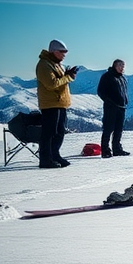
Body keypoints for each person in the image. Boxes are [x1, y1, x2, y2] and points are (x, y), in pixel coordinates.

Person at [35, 39, 78, 168]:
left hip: (60, 103)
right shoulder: (44, 64)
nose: (64, 55)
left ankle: (55, 155)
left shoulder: (55, 64)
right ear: (54, 51)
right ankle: (45, 159)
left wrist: (66, 74)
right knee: (49, 132)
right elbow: (51, 84)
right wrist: (68, 77)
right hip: (50, 104)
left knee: (59, 131)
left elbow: (59, 81)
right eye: (62, 52)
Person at [96, 59, 130, 157]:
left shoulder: (122, 78)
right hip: (111, 107)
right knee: (108, 128)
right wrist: (109, 101)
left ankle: (117, 149)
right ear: (114, 65)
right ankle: (105, 150)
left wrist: (125, 101)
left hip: (122, 106)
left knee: (119, 129)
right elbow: (101, 91)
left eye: (123, 66)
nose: (121, 68)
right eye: (119, 65)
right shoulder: (107, 76)